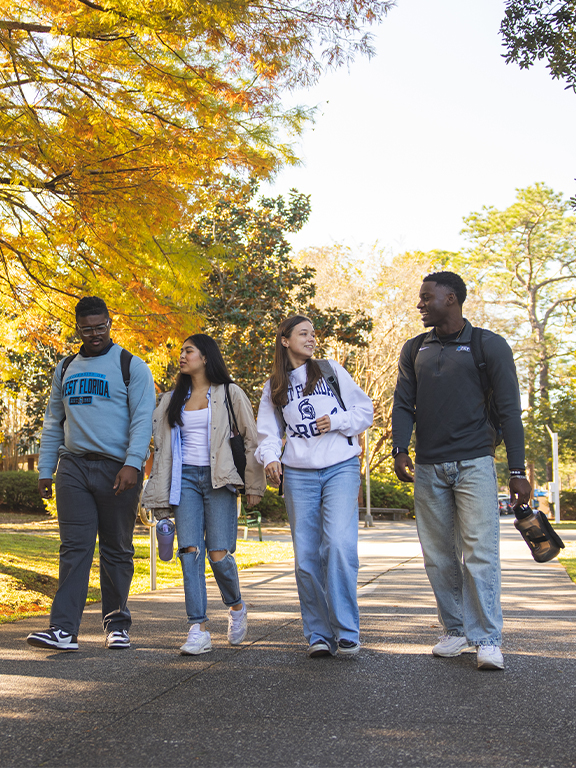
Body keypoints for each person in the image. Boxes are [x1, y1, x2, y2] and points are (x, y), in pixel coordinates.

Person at [391, 271, 532, 671]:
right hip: (429, 467)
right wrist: (401, 449)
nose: (419, 304)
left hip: (474, 464)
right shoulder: (415, 348)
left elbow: (509, 411)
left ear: (450, 298)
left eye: (426, 297)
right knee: (437, 556)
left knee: (479, 554)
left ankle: (487, 639)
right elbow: (404, 404)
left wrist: (517, 469)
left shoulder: (489, 346)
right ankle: (454, 631)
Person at [27, 297, 156, 651]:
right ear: (78, 328)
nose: (95, 334)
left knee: (117, 549)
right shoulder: (65, 367)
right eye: (88, 329)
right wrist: (45, 469)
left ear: (110, 323)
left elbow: (144, 420)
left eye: (101, 327)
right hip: (73, 466)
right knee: (74, 548)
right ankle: (63, 630)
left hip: (118, 469)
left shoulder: (131, 366)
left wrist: (133, 463)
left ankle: (117, 624)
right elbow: (54, 421)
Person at [256, 315, 373, 657]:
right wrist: (271, 459)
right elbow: (267, 433)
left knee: (337, 544)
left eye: (313, 334)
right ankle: (319, 634)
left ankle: (347, 630)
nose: (311, 339)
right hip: (299, 474)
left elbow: (364, 411)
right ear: (284, 340)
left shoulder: (330, 370)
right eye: (303, 333)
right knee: (306, 558)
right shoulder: (273, 386)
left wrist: (336, 421)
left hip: (340, 467)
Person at [142, 334, 265, 655]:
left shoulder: (229, 393)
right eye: (181, 351)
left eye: (188, 351)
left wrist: (254, 486)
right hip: (184, 483)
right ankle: (197, 628)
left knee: (219, 555)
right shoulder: (171, 399)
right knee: (189, 553)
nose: (182, 356)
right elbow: (159, 448)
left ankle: (236, 607)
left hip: (219, 480)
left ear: (206, 356)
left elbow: (251, 441)